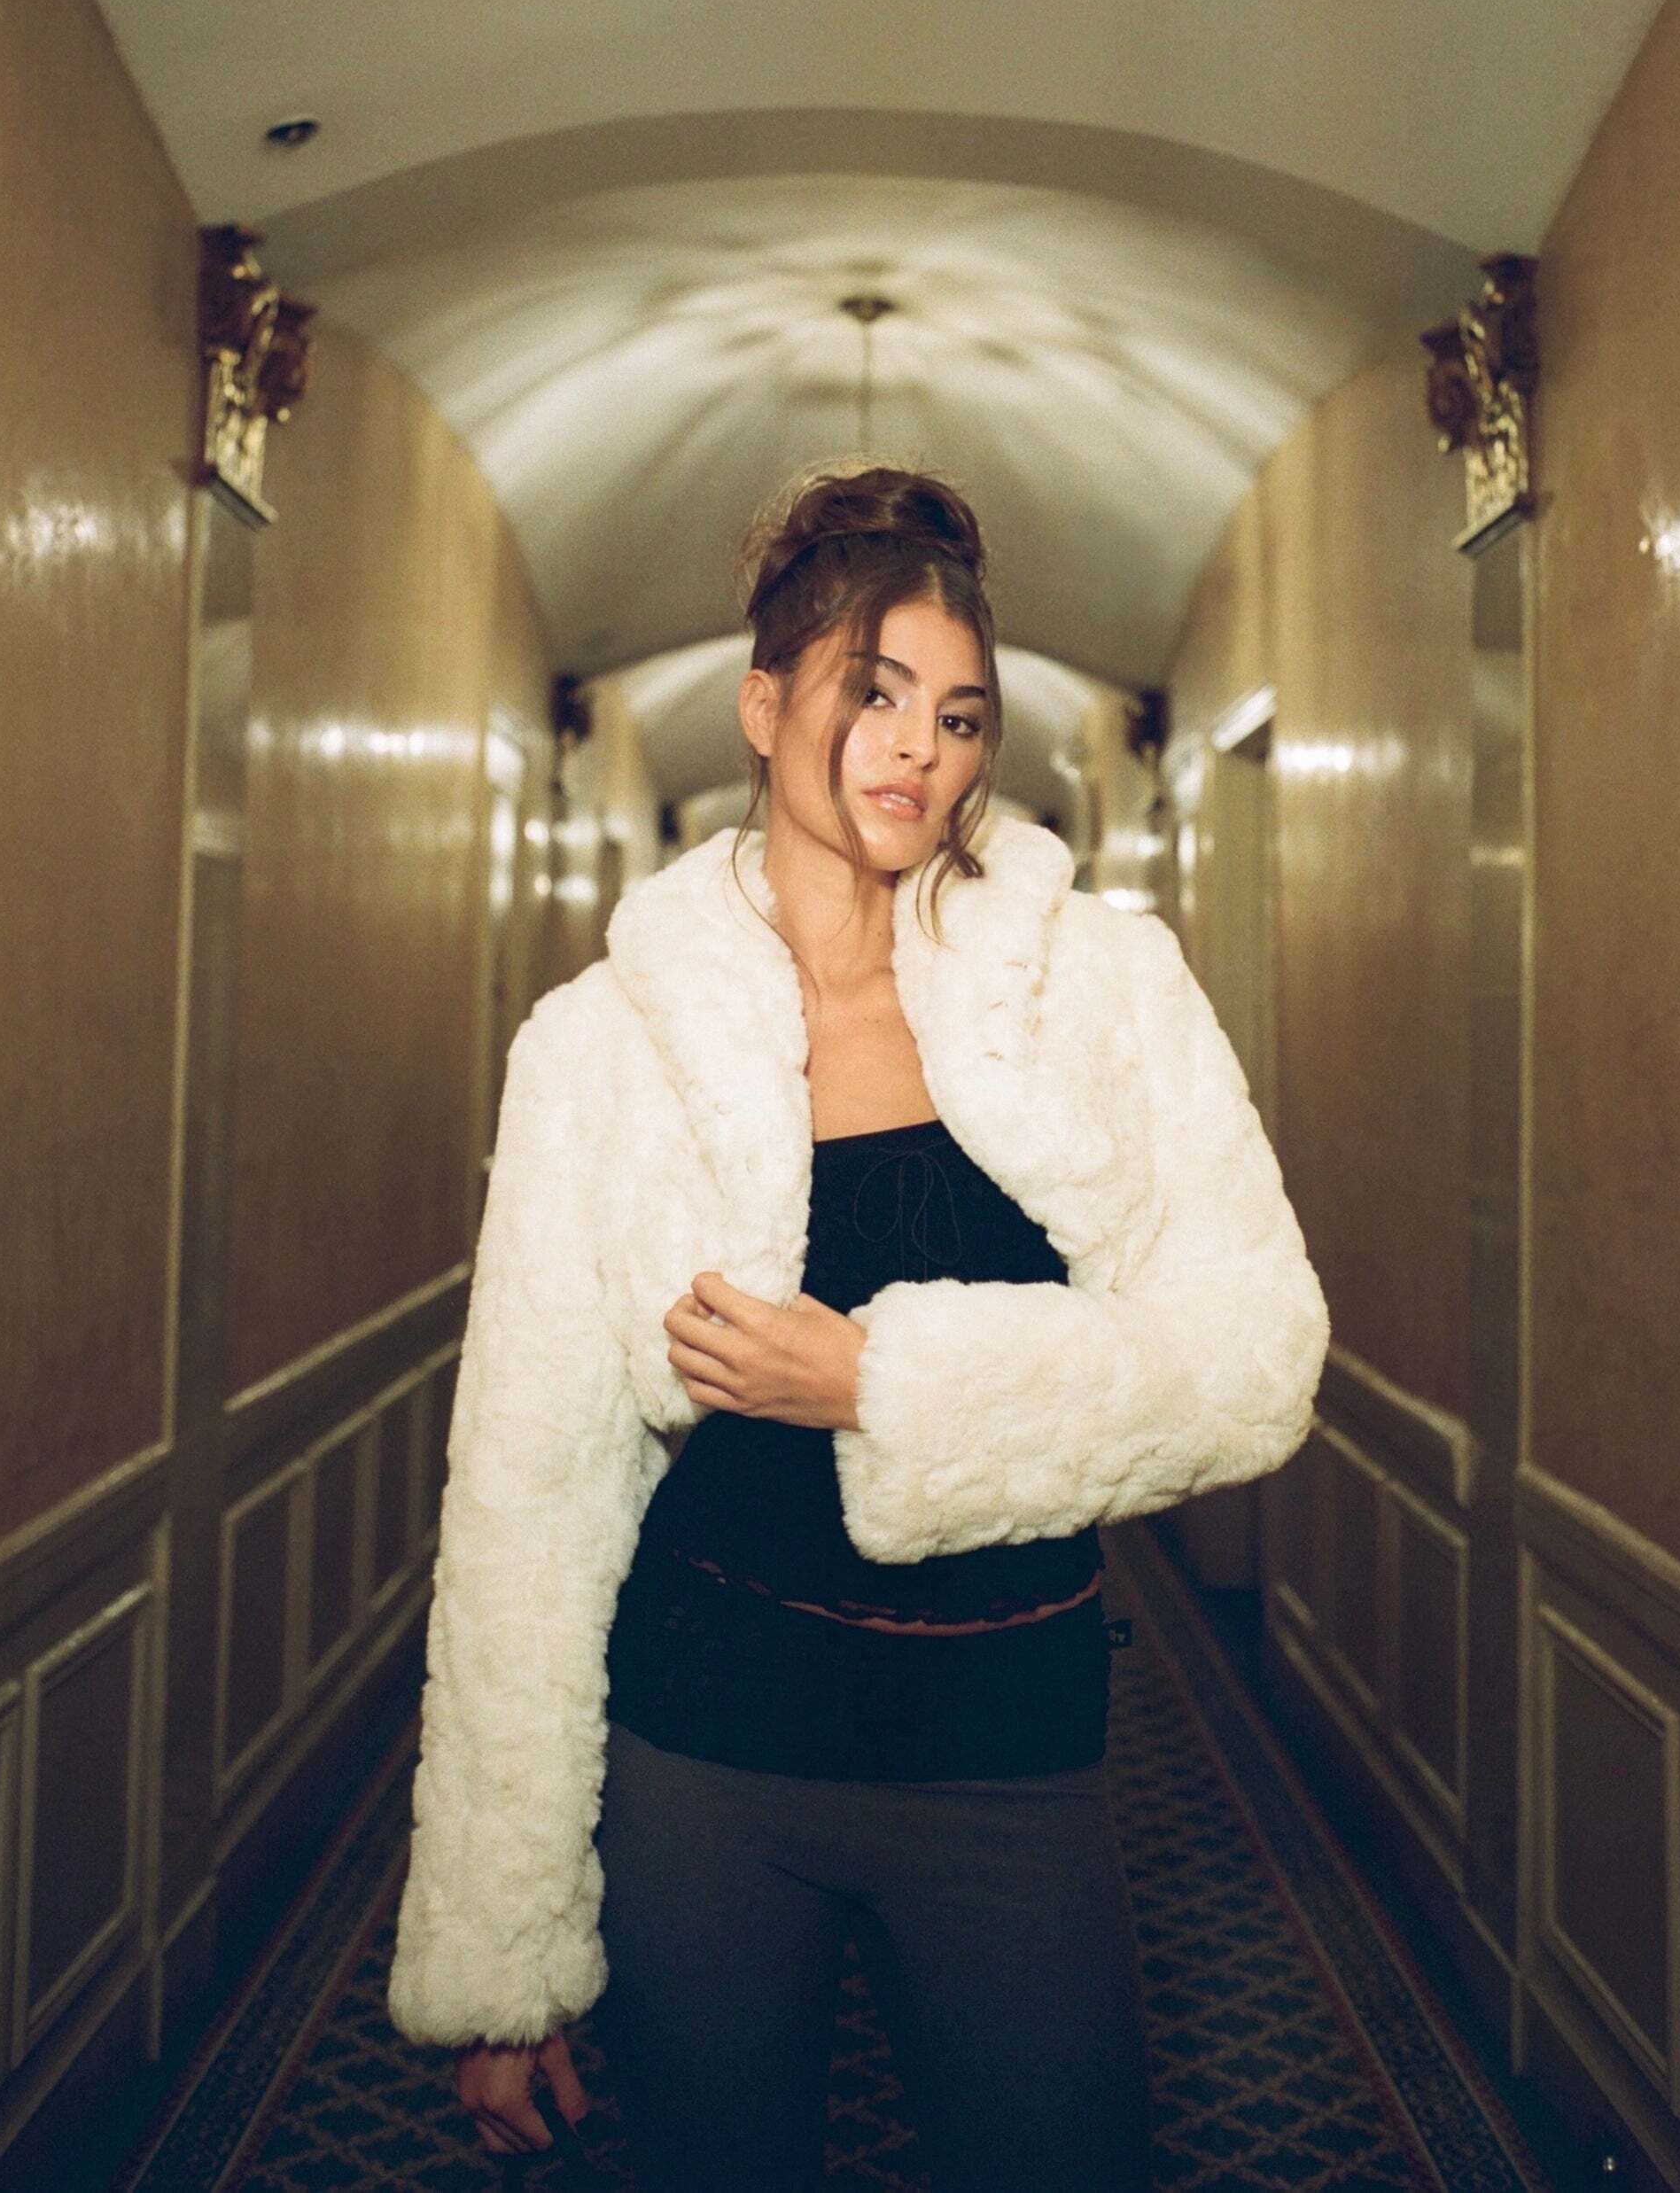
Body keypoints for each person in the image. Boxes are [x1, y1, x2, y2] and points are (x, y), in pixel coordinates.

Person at [385, 462, 1330, 2193]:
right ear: (763, 709)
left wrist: (877, 1381)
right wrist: (499, 1954)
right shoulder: (602, 1046)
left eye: (959, 716)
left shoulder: (1098, 990)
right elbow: (531, 1497)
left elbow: (1253, 1360)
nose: (919, 752)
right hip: (705, 1752)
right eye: (872, 696)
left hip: (1006, 1750)